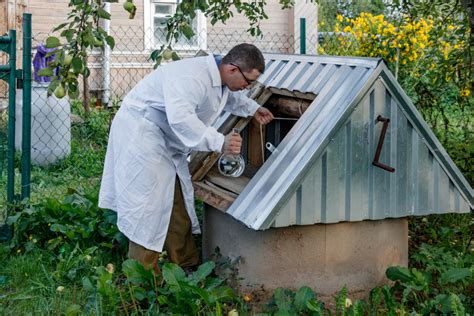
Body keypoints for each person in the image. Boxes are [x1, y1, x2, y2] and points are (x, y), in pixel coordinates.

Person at [98, 43, 274, 273]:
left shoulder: (219, 79)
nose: (247, 87)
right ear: (232, 69)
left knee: (176, 196)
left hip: (164, 138)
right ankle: (141, 277)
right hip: (142, 134)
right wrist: (219, 142)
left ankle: (186, 267)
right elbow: (181, 119)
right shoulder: (191, 76)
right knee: (148, 207)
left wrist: (253, 108)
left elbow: (224, 98)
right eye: (248, 82)